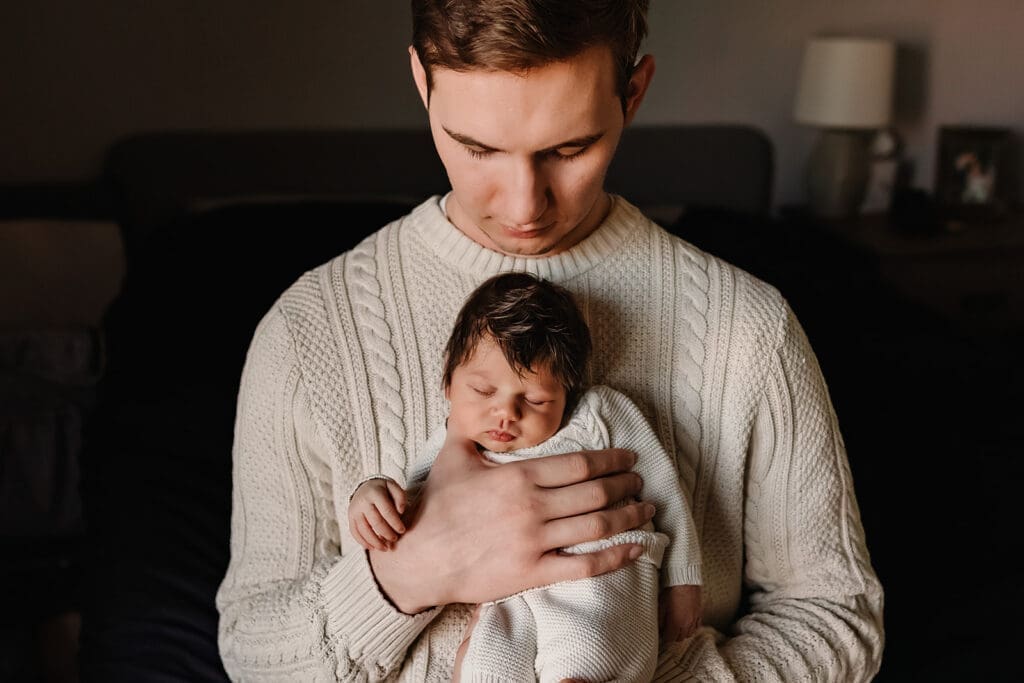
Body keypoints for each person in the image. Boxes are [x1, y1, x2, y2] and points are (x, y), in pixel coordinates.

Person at [216, 1, 885, 680]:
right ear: (422, 82)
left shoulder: (752, 327)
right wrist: (409, 573)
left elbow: (834, 614)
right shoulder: (307, 332)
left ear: (634, 93)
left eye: (570, 148)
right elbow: (253, 648)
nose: (522, 205)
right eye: (477, 148)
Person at [348, 272, 702, 682]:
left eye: (535, 400)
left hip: (598, 578)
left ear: (568, 392)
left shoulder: (598, 415)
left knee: (591, 651)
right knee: (486, 664)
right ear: (448, 379)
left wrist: (684, 580)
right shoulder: (451, 444)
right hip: (504, 594)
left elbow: (665, 493)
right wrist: (369, 495)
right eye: (483, 391)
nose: (506, 413)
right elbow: (412, 506)